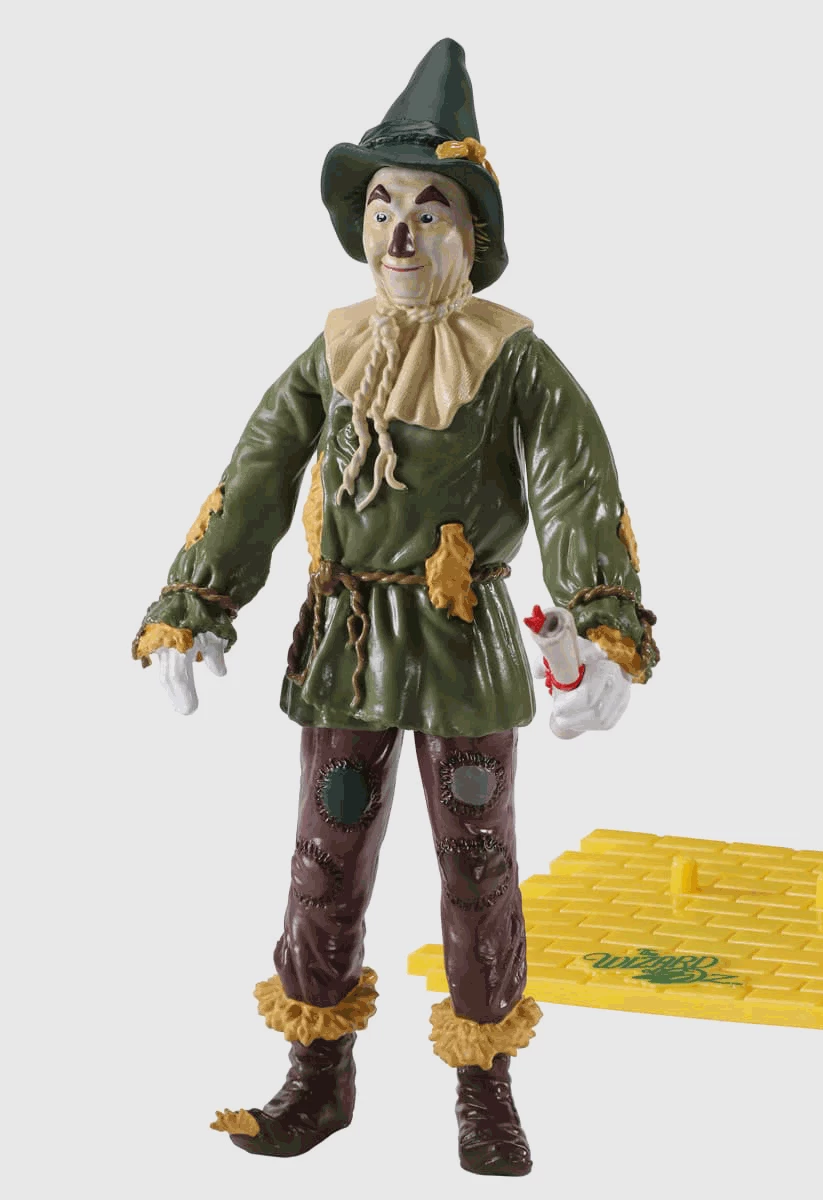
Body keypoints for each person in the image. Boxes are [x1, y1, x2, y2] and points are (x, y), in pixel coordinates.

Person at [130, 38, 658, 1176]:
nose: (400, 233)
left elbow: (576, 484)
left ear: (471, 233)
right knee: (325, 857)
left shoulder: (514, 361)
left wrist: (605, 624)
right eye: (381, 207)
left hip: (464, 649)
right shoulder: (334, 351)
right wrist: (197, 600)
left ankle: (486, 1086)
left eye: (429, 209)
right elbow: (259, 471)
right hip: (347, 648)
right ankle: (317, 1073)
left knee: (478, 863)